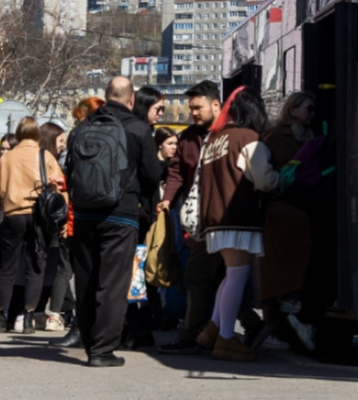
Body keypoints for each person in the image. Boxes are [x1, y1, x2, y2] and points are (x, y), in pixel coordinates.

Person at [68, 76, 163, 367]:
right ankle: (103, 350)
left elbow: (70, 167)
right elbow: (151, 174)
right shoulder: (137, 129)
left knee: (85, 279)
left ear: (105, 96)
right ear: (131, 100)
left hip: (84, 213)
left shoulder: (83, 127)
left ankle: (88, 341)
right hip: (120, 215)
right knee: (112, 282)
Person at [197, 88, 279, 362]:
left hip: (214, 218)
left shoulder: (213, 139)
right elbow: (264, 181)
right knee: (237, 276)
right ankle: (226, 339)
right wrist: (283, 178)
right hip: (238, 217)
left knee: (230, 275)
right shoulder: (249, 138)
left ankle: (214, 329)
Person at [155, 80, 224, 355]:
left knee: (212, 276)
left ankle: (199, 332)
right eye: (190, 107)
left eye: (198, 107)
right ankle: (204, 331)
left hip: (225, 217)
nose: (193, 112)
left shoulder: (230, 133)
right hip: (199, 220)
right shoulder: (187, 137)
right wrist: (167, 200)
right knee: (205, 276)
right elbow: (176, 173)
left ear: (215, 104)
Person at [258, 92, 318, 351]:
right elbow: (262, 168)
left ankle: (287, 319)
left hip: (301, 206)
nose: (312, 114)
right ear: (293, 109)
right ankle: (271, 325)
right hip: (279, 209)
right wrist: (279, 183)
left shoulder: (313, 137)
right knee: (275, 273)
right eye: (308, 108)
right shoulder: (275, 135)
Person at [0, 117, 61, 334]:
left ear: (20, 133)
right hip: (38, 217)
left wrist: (4, 202)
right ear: (37, 135)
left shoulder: (6, 158)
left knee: (6, 267)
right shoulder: (45, 156)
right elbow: (59, 183)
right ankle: (29, 317)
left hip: (12, 215)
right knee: (35, 267)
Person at [39, 121, 77, 341]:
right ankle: (55, 314)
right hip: (63, 220)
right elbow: (64, 193)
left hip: (43, 218)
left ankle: (60, 309)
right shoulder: (54, 160)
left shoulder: (39, 157)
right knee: (64, 269)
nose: (62, 146)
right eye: (60, 141)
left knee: (58, 267)